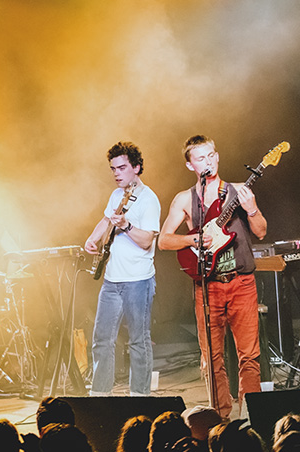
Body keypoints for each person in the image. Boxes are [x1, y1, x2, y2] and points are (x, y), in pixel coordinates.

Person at [159, 135, 267, 420]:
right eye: (200, 158)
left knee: (249, 356)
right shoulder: (185, 199)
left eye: (210, 156)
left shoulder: (238, 191)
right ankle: (221, 420)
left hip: (241, 282)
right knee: (212, 358)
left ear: (217, 157)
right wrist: (194, 238)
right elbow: (164, 241)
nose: (207, 162)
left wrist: (252, 207)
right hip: (207, 285)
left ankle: (250, 418)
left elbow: (261, 231)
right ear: (189, 164)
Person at [83, 142, 161, 397]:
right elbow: (106, 219)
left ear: (137, 167)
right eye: (113, 169)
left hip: (138, 281)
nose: (117, 173)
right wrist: (92, 239)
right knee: (102, 340)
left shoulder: (149, 199)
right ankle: (99, 395)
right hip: (112, 280)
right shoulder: (117, 195)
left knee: (138, 340)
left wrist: (126, 225)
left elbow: (147, 240)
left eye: (122, 167)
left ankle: (140, 397)